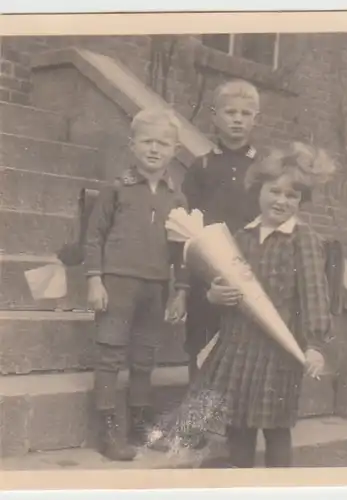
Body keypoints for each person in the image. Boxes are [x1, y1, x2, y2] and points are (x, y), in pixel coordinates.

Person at [174, 142, 336, 468]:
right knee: (238, 425)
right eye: (274, 191)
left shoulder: (303, 240)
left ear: (301, 201)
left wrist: (316, 344)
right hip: (237, 348)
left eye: (292, 196)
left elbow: (316, 294)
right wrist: (213, 297)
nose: (281, 200)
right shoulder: (241, 238)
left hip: (277, 353)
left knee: (275, 429)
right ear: (258, 190)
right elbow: (224, 285)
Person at [84, 108, 188, 461]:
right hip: (118, 283)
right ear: (132, 145)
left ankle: (140, 425)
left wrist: (181, 292)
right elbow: (93, 237)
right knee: (111, 353)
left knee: (144, 358)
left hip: (155, 288)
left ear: (175, 150)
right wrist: (95, 280)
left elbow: (182, 252)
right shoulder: (116, 190)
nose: (154, 149)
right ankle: (109, 431)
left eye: (163, 143)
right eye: (147, 141)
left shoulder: (176, 198)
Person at [171, 79, 262, 381]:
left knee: (244, 351)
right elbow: (188, 231)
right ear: (214, 116)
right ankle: (197, 422)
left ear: (255, 119)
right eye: (230, 112)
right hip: (206, 279)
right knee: (202, 347)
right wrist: (184, 286)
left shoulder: (266, 169)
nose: (237, 119)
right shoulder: (202, 167)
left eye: (246, 113)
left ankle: (233, 426)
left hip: (251, 274)